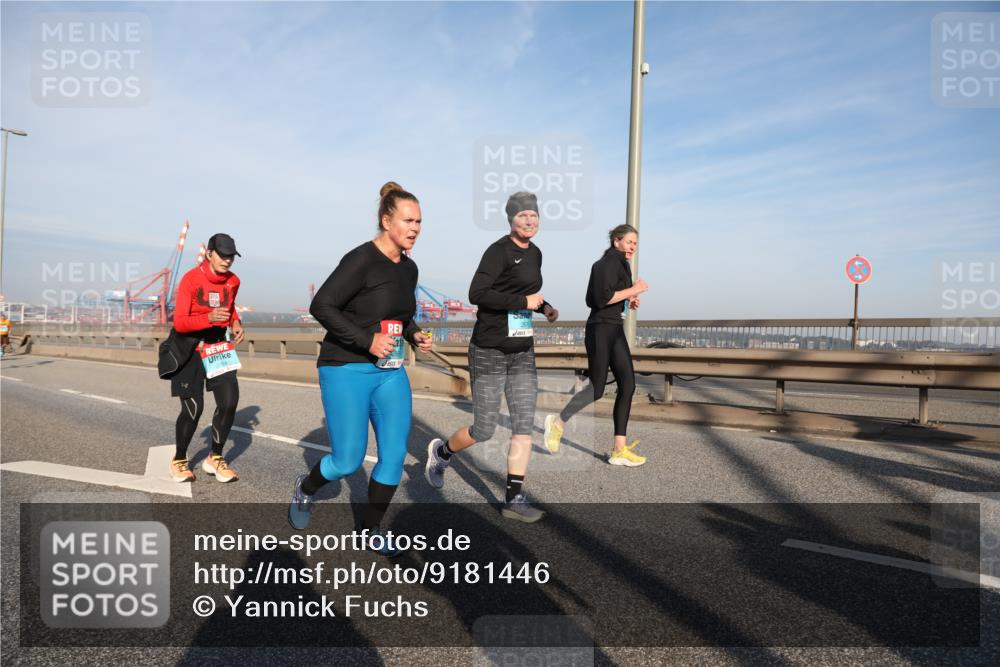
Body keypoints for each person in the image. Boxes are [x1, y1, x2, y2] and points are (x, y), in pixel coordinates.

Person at [289, 182, 433, 555]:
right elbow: (322, 305)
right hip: (346, 369)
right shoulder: (361, 259)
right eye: (408, 220)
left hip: (389, 371)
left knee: (393, 455)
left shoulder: (410, 268)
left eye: (419, 221)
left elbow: (402, 316)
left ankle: (371, 529)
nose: (415, 228)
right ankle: (305, 489)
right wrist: (367, 341)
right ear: (387, 220)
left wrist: (416, 334)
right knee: (348, 459)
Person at [424, 191, 558, 523]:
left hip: (522, 350)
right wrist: (523, 303)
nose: (529, 221)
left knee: (523, 425)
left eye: (534, 216)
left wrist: (544, 307)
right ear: (511, 219)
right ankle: (442, 452)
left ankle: (514, 498)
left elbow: (527, 295)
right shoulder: (498, 251)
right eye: (522, 216)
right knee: (483, 429)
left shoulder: (536, 253)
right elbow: (478, 294)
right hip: (489, 350)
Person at [543, 224, 649, 466]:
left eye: (635, 243)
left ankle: (619, 450)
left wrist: (629, 301)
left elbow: (613, 296)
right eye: (629, 242)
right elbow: (601, 299)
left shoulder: (622, 265)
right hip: (600, 329)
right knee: (598, 388)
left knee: (628, 385)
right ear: (616, 242)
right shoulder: (607, 264)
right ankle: (557, 423)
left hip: (614, 327)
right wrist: (635, 289)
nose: (633, 246)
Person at [167, 233, 245, 483]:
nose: (227, 260)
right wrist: (207, 319)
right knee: (193, 408)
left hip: (217, 347)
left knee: (230, 401)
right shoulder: (191, 279)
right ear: (209, 253)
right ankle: (179, 459)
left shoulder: (233, 281)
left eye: (231, 256)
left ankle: (215, 457)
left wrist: (235, 322)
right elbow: (179, 322)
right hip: (188, 348)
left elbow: (230, 308)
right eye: (222, 255)